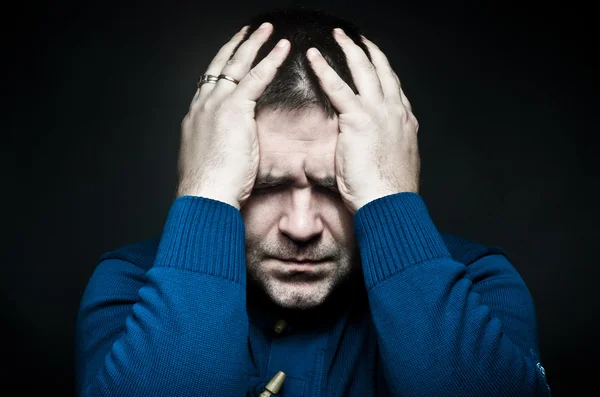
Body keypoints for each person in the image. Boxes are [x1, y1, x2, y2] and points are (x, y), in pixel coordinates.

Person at [75, 7, 551, 397]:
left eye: (333, 186)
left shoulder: (480, 282)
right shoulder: (130, 285)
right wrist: (204, 191)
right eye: (262, 187)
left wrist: (390, 195)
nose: (301, 228)